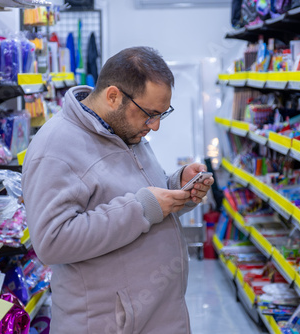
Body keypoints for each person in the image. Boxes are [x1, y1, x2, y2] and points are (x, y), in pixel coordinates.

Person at [21, 46, 214, 334]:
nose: (156, 126)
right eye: (150, 114)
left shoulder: (125, 129)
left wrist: (176, 186)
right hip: (108, 323)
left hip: (158, 315)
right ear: (113, 96)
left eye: (163, 114)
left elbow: (137, 191)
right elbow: (52, 242)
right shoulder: (55, 148)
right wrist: (144, 207)